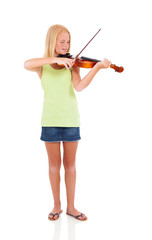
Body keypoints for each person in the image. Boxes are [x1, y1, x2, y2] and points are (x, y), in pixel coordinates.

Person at [24, 24, 111, 221]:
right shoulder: (43, 65)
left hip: (71, 120)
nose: (66, 45)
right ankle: (57, 205)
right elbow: (26, 64)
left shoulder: (72, 64)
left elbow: (79, 87)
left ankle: (71, 207)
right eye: (61, 41)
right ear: (52, 42)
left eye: (68, 41)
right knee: (54, 165)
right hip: (50, 120)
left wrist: (97, 68)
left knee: (70, 165)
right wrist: (54, 59)